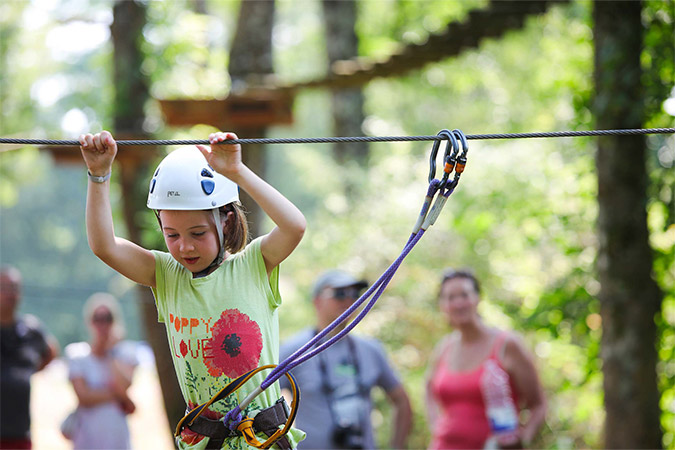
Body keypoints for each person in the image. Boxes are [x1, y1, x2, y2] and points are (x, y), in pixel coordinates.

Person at [78, 130, 306, 449]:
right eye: (172, 235)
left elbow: (294, 226)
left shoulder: (254, 264)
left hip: (261, 442)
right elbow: (104, 246)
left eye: (197, 233)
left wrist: (236, 172)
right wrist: (99, 175)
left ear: (225, 221)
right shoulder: (165, 275)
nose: (185, 247)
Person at [280, 270, 413, 450]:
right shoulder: (294, 350)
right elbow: (263, 401)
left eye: (355, 294)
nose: (349, 300)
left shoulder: (371, 350)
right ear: (317, 301)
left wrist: (397, 446)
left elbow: (401, 401)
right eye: (340, 293)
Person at [425, 269, 547, 450]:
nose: (458, 303)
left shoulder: (507, 345)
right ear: (442, 305)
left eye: (464, 295)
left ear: (477, 298)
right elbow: (428, 389)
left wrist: (523, 438)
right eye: (450, 298)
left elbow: (538, 405)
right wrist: (436, 426)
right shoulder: (444, 347)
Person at [63, 292, 138, 449]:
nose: (103, 325)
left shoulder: (125, 354)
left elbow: (123, 385)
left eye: (108, 318)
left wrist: (110, 352)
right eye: (98, 318)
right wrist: (116, 396)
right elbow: (84, 397)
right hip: (87, 437)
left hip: (117, 437)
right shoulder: (76, 354)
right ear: (89, 322)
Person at [0, 265, 59, 449]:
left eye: (14, 288)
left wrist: (28, 371)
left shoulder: (31, 330)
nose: (10, 294)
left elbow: (51, 351)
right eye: (4, 288)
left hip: (20, 434)